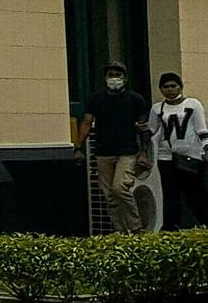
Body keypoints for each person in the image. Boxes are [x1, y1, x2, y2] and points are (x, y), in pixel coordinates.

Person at [80, 61, 152, 235]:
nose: (114, 79)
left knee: (120, 188)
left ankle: (136, 228)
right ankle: (119, 230)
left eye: (117, 75)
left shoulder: (135, 100)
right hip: (103, 152)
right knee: (109, 195)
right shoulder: (95, 100)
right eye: (110, 75)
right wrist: (78, 146)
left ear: (125, 78)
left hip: (127, 152)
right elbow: (87, 123)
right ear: (105, 78)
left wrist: (144, 153)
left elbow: (143, 128)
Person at [151, 70, 207, 231]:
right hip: (166, 156)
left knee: (196, 194)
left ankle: (203, 224)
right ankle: (171, 229)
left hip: (191, 156)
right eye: (165, 87)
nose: (170, 90)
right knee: (170, 194)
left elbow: (201, 128)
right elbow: (151, 129)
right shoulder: (157, 108)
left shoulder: (193, 104)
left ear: (180, 87)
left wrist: (206, 147)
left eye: (173, 86)